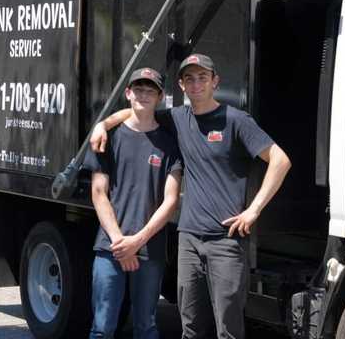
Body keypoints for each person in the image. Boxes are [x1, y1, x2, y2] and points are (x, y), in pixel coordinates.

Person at [91, 54, 291, 339]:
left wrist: (254, 209)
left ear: (215, 81)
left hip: (226, 240)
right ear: (182, 86)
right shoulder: (177, 118)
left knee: (229, 329)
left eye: (202, 77)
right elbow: (138, 111)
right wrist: (103, 124)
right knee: (191, 327)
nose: (196, 84)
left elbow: (280, 160)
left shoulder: (235, 120)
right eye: (189, 79)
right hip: (188, 241)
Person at [85, 67, 183, 339]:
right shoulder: (108, 139)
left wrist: (136, 242)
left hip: (149, 250)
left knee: (146, 327)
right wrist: (120, 243)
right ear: (128, 93)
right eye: (138, 89)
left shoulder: (169, 145)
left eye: (150, 90)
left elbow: (171, 200)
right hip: (109, 248)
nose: (143, 94)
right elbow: (98, 193)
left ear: (160, 97)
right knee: (102, 328)